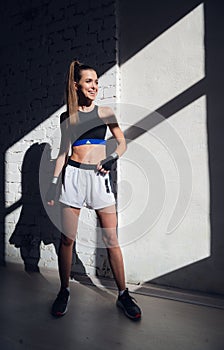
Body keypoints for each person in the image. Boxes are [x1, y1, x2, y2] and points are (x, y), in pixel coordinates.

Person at [46, 60, 141, 320]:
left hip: (99, 178)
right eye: (89, 81)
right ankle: (64, 290)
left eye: (97, 82)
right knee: (67, 239)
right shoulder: (68, 117)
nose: (94, 86)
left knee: (111, 239)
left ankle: (123, 294)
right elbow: (63, 153)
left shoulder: (106, 112)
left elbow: (122, 143)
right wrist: (54, 186)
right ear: (76, 85)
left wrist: (112, 158)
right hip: (73, 178)